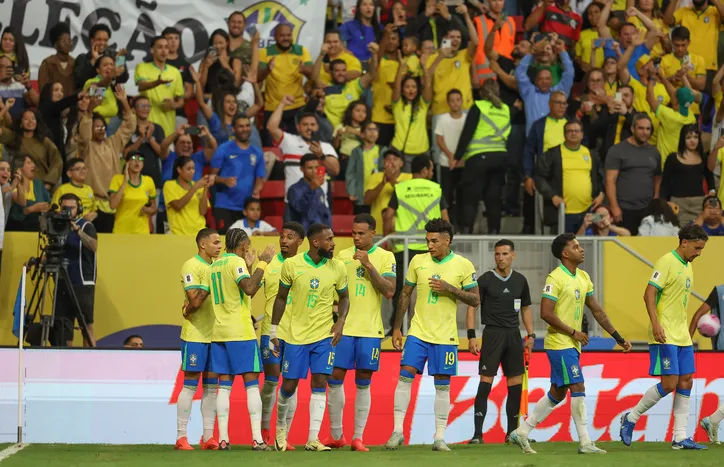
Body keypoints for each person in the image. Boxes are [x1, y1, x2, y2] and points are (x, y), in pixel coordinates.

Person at [510, 233, 632, 454]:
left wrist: (618, 338)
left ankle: (522, 432)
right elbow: (545, 313)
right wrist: (574, 332)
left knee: (557, 393)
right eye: (576, 246)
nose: (581, 249)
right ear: (565, 254)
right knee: (578, 386)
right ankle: (585, 442)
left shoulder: (583, 277)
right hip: (559, 343)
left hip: (571, 344)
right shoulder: (555, 278)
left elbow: (597, 311)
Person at [384, 218, 479, 451]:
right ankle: (397, 431)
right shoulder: (418, 261)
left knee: (442, 385)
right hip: (418, 332)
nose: (430, 245)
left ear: (447, 241)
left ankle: (439, 437)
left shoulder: (463, 264)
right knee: (404, 375)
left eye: (434, 241)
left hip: (445, 336)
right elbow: (405, 294)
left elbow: (475, 299)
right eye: (428, 240)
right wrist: (397, 328)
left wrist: (450, 289)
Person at [619, 224, 709, 450]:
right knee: (669, 384)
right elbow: (648, 293)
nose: (699, 253)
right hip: (665, 332)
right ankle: (630, 418)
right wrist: (656, 324)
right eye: (697, 248)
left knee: (686, 380)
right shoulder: (666, 261)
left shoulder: (687, 266)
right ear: (684, 242)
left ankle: (680, 437)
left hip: (681, 335)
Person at [269, 223, 350, 452]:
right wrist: (274, 331)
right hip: (296, 336)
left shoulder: (338, 268)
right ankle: (280, 429)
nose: (333, 244)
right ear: (316, 242)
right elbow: (281, 298)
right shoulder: (292, 265)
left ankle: (313, 438)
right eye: (330, 239)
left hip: (324, 335)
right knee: (290, 385)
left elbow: (344, 297)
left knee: (320, 382)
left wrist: (341, 321)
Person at [194, 228, 275, 450]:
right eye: (247, 246)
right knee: (250, 385)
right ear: (241, 245)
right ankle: (257, 439)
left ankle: (223, 438)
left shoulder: (214, 265)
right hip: (240, 333)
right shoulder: (235, 263)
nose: (248, 249)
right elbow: (249, 289)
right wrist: (262, 263)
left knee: (225, 386)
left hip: (219, 333)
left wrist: (249, 267)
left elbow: (240, 293)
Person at [326, 214, 396, 451]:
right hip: (343, 329)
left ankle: (358, 437)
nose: (355, 237)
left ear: (372, 233)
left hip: (369, 330)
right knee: (334, 377)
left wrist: (368, 264)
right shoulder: (342, 257)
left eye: (361, 233)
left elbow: (389, 291)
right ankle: (337, 435)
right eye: (353, 233)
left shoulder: (386, 257)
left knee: (363, 381)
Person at [466, 239, 534, 444]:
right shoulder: (485, 280)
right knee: (485, 381)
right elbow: (472, 307)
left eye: (505, 254)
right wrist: (471, 336)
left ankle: (511, 434)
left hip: (513, 335)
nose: (500, 258)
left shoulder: (520, 280)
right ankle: (478, 435)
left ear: (513, 255)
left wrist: (530, 335)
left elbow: (526, 309)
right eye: (497, 254)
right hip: (493, 334)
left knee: (514, 384)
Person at [258, 222, 305, 447]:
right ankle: (264, 426)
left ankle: (282, 433)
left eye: (290, 237)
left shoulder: (305, 265)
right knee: (271, 380)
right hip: (271, 330)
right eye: (282, 236)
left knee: (291, 383)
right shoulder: (269, 264)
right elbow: (248, 289)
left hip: (297, 334)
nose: (284, 240)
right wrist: (254, 266)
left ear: (300, 242)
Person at [174, 228, 222, 451]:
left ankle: (209, 437)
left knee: (212, 387)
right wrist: (209, 282)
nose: (219, 246)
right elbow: (193, 302)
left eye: (220, 242)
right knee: (191, 384)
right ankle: (181, 437)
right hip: (195, 334)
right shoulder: (191, 266)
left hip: (217, 334)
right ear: (203, 245)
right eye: (215, 242)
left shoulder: (218, 267)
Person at [455, 79, 511, 234]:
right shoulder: (505, 109)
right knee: (493, 198)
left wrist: (457, 156)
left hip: (478, 157)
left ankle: (467, 231)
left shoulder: (479, 106)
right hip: (500, 157)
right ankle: (494, 233)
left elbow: (468, 132)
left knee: (471, 198)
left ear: (481, 92)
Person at [77, 86, 136, 234]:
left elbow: (129, 126)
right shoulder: (86, 146)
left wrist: (124, 102)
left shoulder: (113, 143)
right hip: (92, 204)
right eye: (96, 127)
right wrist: (89, 110)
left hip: (113, 203)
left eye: (103, 126)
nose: (101, 129)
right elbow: (84, 133)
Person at [535, 120, 604, 233]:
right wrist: (553, 196)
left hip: (588, 212)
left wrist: (601, 193)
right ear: (564, 134)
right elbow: (539, 178)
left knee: (587, 247)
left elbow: (598, 177)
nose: (573, 133)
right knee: (563, 248)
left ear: (582, 134)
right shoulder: (552, 154)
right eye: (570, 131)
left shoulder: (591, 154)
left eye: (576, 131)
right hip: (561, 213)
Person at [267, 95, 340, 202]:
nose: (309, 127)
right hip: (293, 202)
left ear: (317, 127)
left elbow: (335, 170)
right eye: (305, 124)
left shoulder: (326, 147)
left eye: (312, 124)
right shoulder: (289, 141)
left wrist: (322, 156)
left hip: (318, 204)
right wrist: (282, 104)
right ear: (298, 127)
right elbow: (271, 127)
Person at [53, 193, 98, 347]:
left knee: (86, 326)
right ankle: (65, 364)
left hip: (82, 282)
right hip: (62, 282)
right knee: (63, 328)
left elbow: (93, 246)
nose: (68, 211)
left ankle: (90, 361)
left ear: (78, 208)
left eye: (71, 208)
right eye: (65, 208)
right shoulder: (57, 226)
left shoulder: (85, 225)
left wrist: (77, 231)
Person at [605, 113, 661, 235]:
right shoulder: (617, 150)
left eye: (648, 129)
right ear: (632, 129)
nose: (645, 132)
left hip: (647, 209)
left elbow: (657, 178)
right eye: (641, 128)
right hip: (624, 209)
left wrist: (655, 200)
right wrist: (614, 207)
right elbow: (610, 180)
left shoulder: (654, 152)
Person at [210, 114, 265, 233]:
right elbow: (211, 177)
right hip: (224, 205)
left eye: (247, 126)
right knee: (226, 244)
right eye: (241, 126)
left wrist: (257, 190)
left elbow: (260, 178)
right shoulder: (223, 149)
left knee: (244, 245)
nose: (245, 129)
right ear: (233, 129)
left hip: (246, 209)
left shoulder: (257, 153)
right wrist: (224, 180)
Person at [258, 24, 314, 137]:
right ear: (275, 37)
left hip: (297, 106)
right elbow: (258, 78)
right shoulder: (265, 52)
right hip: (273, 107)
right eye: (282, 35)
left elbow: (313, 75)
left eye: (288, 35)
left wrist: (304, 70)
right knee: (271, 147)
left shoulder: (301, 50)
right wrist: (268, 69)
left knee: (298, 145)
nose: (286, 38)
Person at [516, 35, 575, 135]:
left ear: (552, 81)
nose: (544, 81)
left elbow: (569, 73)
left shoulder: (559, 92)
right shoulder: (529, 92)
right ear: (535, 81)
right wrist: (530, 53)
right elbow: (519, 73)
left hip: (555, 139)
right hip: (534, 140)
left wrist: (562, 50)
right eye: (541, 79)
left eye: (547, 78)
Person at [660, 125, 715, 225]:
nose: (692, 141)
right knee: (681, 235)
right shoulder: (673, 158)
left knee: (699, 235)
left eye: (695, 137)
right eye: (688, 137)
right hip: (678, 203)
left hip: (699, 203)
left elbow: (710, 178)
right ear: (682, 139)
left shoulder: (703, 157)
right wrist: (664, 202)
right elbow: (665, 183)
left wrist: (712, 192)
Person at [135, 36, 185, 140]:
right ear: (152, 50)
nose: (164, 51)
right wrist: (156, 83)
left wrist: (174, 104)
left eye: (166, 47)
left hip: (168, 130)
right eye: (160, 47)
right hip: (146, 127)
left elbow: (181, 101)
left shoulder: (175, 72)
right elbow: (141, 85)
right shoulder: (142, 67)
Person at [0, 109, 62, 189]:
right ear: (20, 123)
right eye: (26, 119)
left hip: (41, 185)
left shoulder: (44, 141)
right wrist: (5, 107)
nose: (30, 121)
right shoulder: (14, 137)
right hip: (20, 185)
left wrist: (48, 184)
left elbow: (57, 161)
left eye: (33, 118)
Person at [390, 56, 433, 170]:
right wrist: (401, 67)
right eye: (407, 87)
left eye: (414, 87)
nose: (411, 90)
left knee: (421, 187)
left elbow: (428, 85)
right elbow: (396, 88)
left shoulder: (423, 105)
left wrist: (424, 67)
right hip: (402, 153)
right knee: (404, 187)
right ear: (403, 90)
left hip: (422, 153)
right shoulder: (398, 105)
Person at [108, 151, 157, 235]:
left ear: (143, 164)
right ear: (127, 163)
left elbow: (153, 208)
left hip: (142, 232)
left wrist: (150, 210)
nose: (137, 161)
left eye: (140, 159)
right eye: (133, 158)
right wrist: (125, 181)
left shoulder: (149, 181)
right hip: (121, 231)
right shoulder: (117, 179)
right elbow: (112, 205)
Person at [123, 96, 166, 189]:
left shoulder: (157, 129)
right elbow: (126, 154)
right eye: (142, 106)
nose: (145, 109)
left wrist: (150, 138)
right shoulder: (128, 128)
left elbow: (163, 154)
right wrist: (141, 138)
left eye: (147, 106)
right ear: (133, 109)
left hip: (153, 178)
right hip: (131, 179)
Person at [364, 148, 411, 231]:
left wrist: (391, 179)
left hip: (401, 230)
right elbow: (367, 200)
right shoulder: (375, 176)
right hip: (376, 230)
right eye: (388, 159)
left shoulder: (409, 177)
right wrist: (382, 184)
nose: (391, 162)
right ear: (383, 163)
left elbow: (407, 198)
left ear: (401, 163)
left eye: (395, 159)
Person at [163, 157, 212, 236]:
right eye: (188, 169)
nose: (192, 171)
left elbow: (203, 212)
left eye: (193, 168)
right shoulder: (169, 185)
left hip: (199, 232)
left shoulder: (198, 186)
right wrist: (195, 187)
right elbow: (178, 206)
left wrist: (205, 189)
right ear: (179, 170)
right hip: (178, 233)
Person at [73, 24, 129, 92]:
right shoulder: (82, 58)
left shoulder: (114, 56)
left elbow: (123, 78)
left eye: (105, 40)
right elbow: (80, 81)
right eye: (99, 39)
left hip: (111, 96)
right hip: (91, 97)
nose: (102, 43)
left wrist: (119, 60)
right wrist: (94, 60)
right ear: (92, 40)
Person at [345, 121, 384, 214]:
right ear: (362, 134)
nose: (372, 132)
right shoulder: (356, 152)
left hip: (377, 195)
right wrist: (351, 191)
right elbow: (350, 173)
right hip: (361, 195)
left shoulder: (382, 151)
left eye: (375, 130)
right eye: (369, 129)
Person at [287, 154, 332, 230]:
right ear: (302, 169)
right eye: (310, 168)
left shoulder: (319, 189)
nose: (314, 171)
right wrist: (311, 189)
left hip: (320, 234)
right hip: (303, 235)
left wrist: (329, 231)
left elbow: (324, 214)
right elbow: (300, 208)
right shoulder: (294, 189)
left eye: (316, 167)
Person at [6, 155, 50, 232]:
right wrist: (32, 209)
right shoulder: (12, 185)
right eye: (29, 163)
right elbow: (21, 204)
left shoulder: (38, 183)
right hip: (17, 228)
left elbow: (49, 203)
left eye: (33, 163)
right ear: (19, 168)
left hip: (38, 228)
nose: (33, 165)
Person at [38, 22, 75, 96]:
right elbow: (43, 92)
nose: (67, 43)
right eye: (63, 41)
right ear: (55, 45)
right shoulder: (47, 64)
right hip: (53, 106)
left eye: (69, 40)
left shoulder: (76, 63)